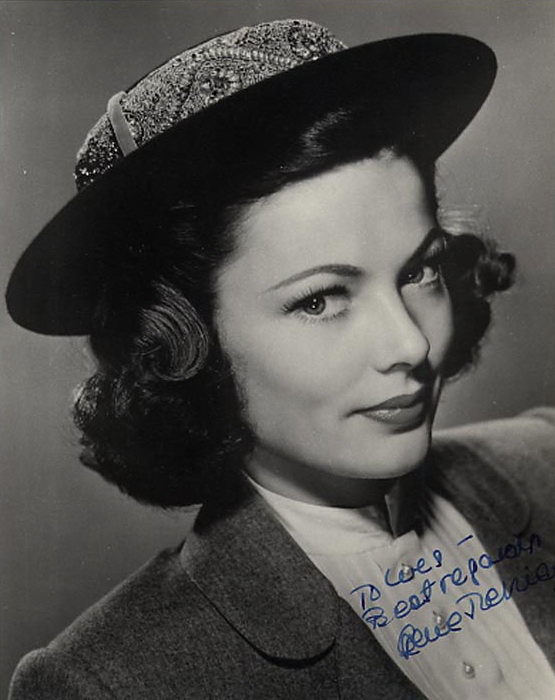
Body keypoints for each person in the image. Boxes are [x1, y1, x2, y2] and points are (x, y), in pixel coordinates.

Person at [6, 18, 555, 699]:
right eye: (320, 300)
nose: (409, 345)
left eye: (418, 272)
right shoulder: (110, 683)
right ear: (187, 346)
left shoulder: (543, 462)